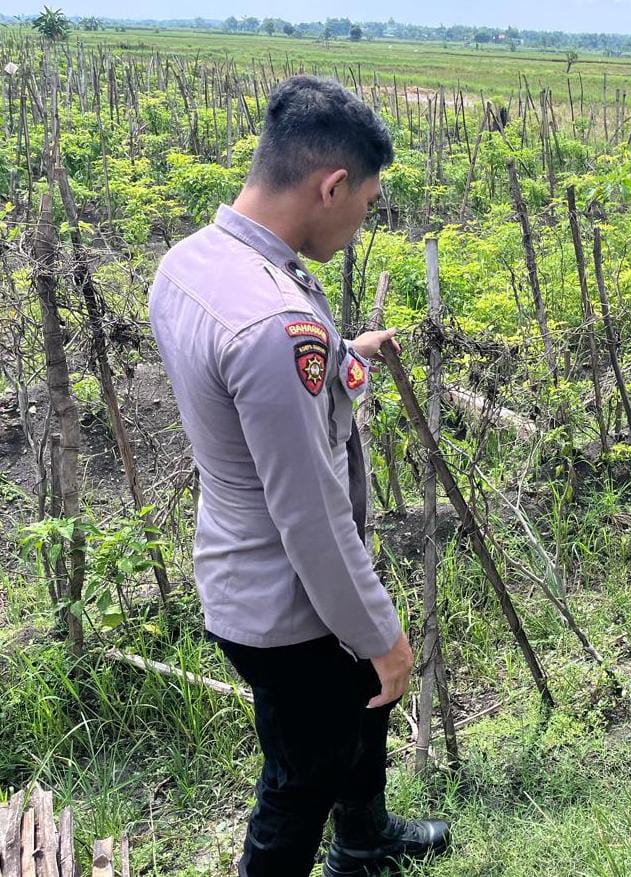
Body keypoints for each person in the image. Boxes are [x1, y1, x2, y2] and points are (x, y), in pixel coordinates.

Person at [149, 76, 450, 876]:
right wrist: (383, 636)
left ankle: (364, 842)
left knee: (359, 710)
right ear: (331, 185)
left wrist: (345, 354)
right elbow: (310, 515)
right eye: (368, 204)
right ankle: (338, 846)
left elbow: (253, 397)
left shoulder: (194, 262)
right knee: (301, 775)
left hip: (241, 559)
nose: (361, 225)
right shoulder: (273, 325)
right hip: (288, 597)